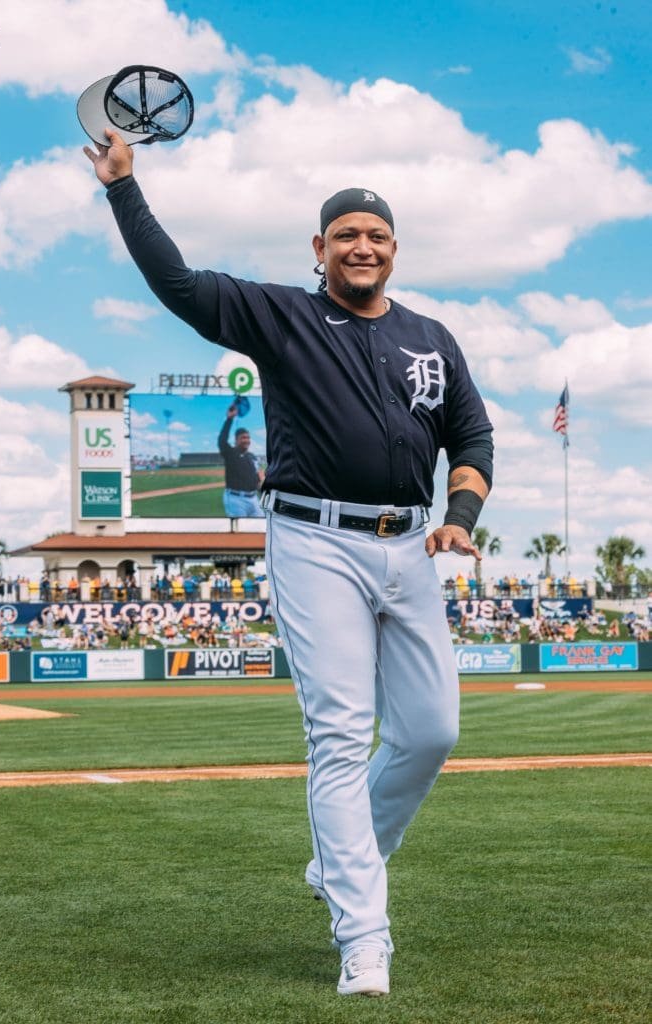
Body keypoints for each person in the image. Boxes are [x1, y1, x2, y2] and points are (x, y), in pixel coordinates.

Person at [84, 131, 493, 998]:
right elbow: (179, 286)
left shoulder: (431, 336)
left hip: (409, 544)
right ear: (319, 249)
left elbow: (472, 437)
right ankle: (364, 938)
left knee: (430, 733)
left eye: (376, 235)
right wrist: (124, 188)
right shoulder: (285, 316)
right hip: (314, 540)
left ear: (393, 249)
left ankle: (337, 864)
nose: (362, 245)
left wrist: (459, 515)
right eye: (345, 233)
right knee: (341, 738)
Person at [218, 405, 265, 517]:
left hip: (253, 498)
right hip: (236, 499)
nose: (246, 440)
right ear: (236, 440)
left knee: (261, 527)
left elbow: (257, 479)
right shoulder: (230, 453)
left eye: (248, 437)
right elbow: (222, 440)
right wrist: (229, 419)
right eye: (243, 437)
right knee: (240, 532)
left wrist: (261, 487)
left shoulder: (252, 457)